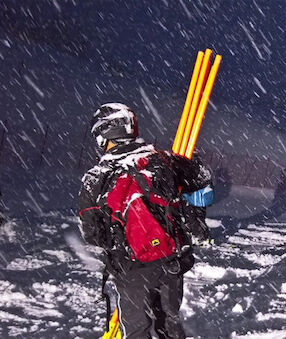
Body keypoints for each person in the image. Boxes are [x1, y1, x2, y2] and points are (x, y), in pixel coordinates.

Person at [78, 103, 211, 339]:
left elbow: (91, 232)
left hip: (130, 267)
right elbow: (202, 177)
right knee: (169, 322)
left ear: (104, 134)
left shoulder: (96, 178)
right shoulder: (163, 160)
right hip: (171, 260)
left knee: (137, 329)